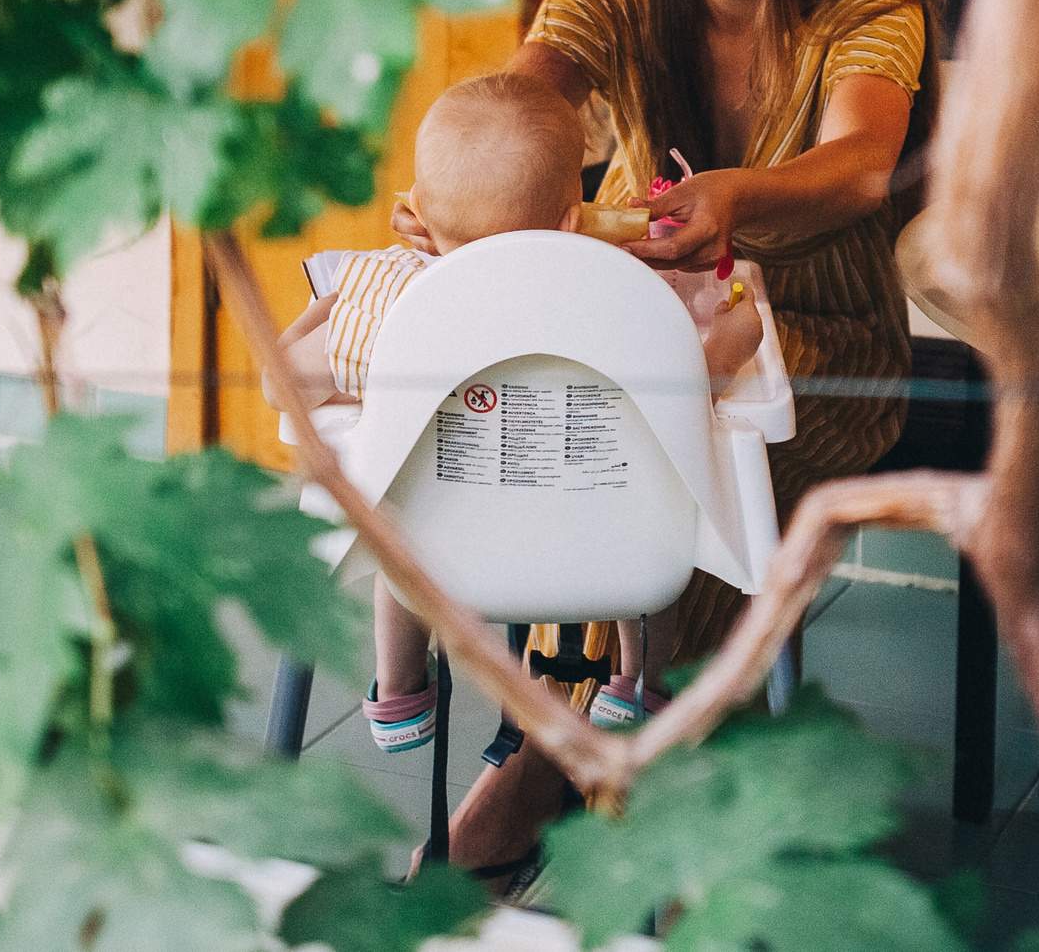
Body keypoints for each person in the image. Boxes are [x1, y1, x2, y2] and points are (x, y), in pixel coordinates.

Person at [394, 0, 941, 889]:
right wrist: (462, 192)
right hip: (649, 337)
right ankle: (595, 731)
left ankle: (565, 756)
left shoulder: (868, 2)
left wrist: (735, 197)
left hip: (825, 352)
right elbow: (526, 100)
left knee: (663, 467)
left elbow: (858, 167)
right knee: (575, 429)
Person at [268, 72, 763, 758]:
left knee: (398, 504)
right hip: (603, 545)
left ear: (418, 217)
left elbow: (281, 385)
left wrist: (327, 310)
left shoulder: (387, 307)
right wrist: (738, 337)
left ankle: (402, 690)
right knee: (655, 490)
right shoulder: (627, 304)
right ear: (573, 217)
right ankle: (637, 685)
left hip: (442, 558)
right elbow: (698, 385)